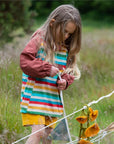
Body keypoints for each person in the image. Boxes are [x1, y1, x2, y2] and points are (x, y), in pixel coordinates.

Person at [20, 4, 81, 144]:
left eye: (69, 34)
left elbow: (68, 71)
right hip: (34, 98)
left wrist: (65, 81)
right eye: (64, 31)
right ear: (53, 23)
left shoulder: (65, 49)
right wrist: (46, 69)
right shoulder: (39, 40)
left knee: (48, 135)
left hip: (51, 101)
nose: (66, 36)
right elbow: (25, 61)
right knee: (39, 132)